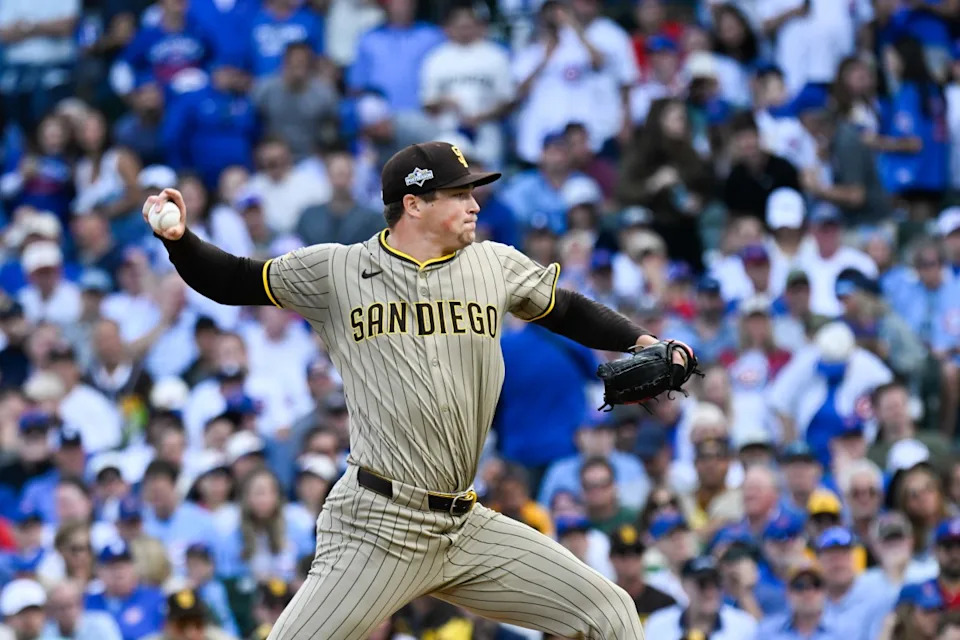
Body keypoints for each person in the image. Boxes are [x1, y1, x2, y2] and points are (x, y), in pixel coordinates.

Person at [145, 140, 696, 638]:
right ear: (414, 204)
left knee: (611, 616)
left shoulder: (493, 264)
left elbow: (567, 308)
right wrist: (180, 241)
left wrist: (642, 339)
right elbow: (235, 279)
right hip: (376, 524)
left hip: (463, 523)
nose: (475, 204)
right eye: (459, 194)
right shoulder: (340, 272)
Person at [643, 555, 759, 640]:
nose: (710, 592)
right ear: (684, 585)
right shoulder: (658, 624)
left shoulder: (743, 625)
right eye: (702, 584)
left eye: (716, 583)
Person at [607, 524, 676, 624]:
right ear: (611, 558)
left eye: (636, 552)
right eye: (622, 553)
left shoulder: (664, 603)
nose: (630, 559)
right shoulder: (603, 602)